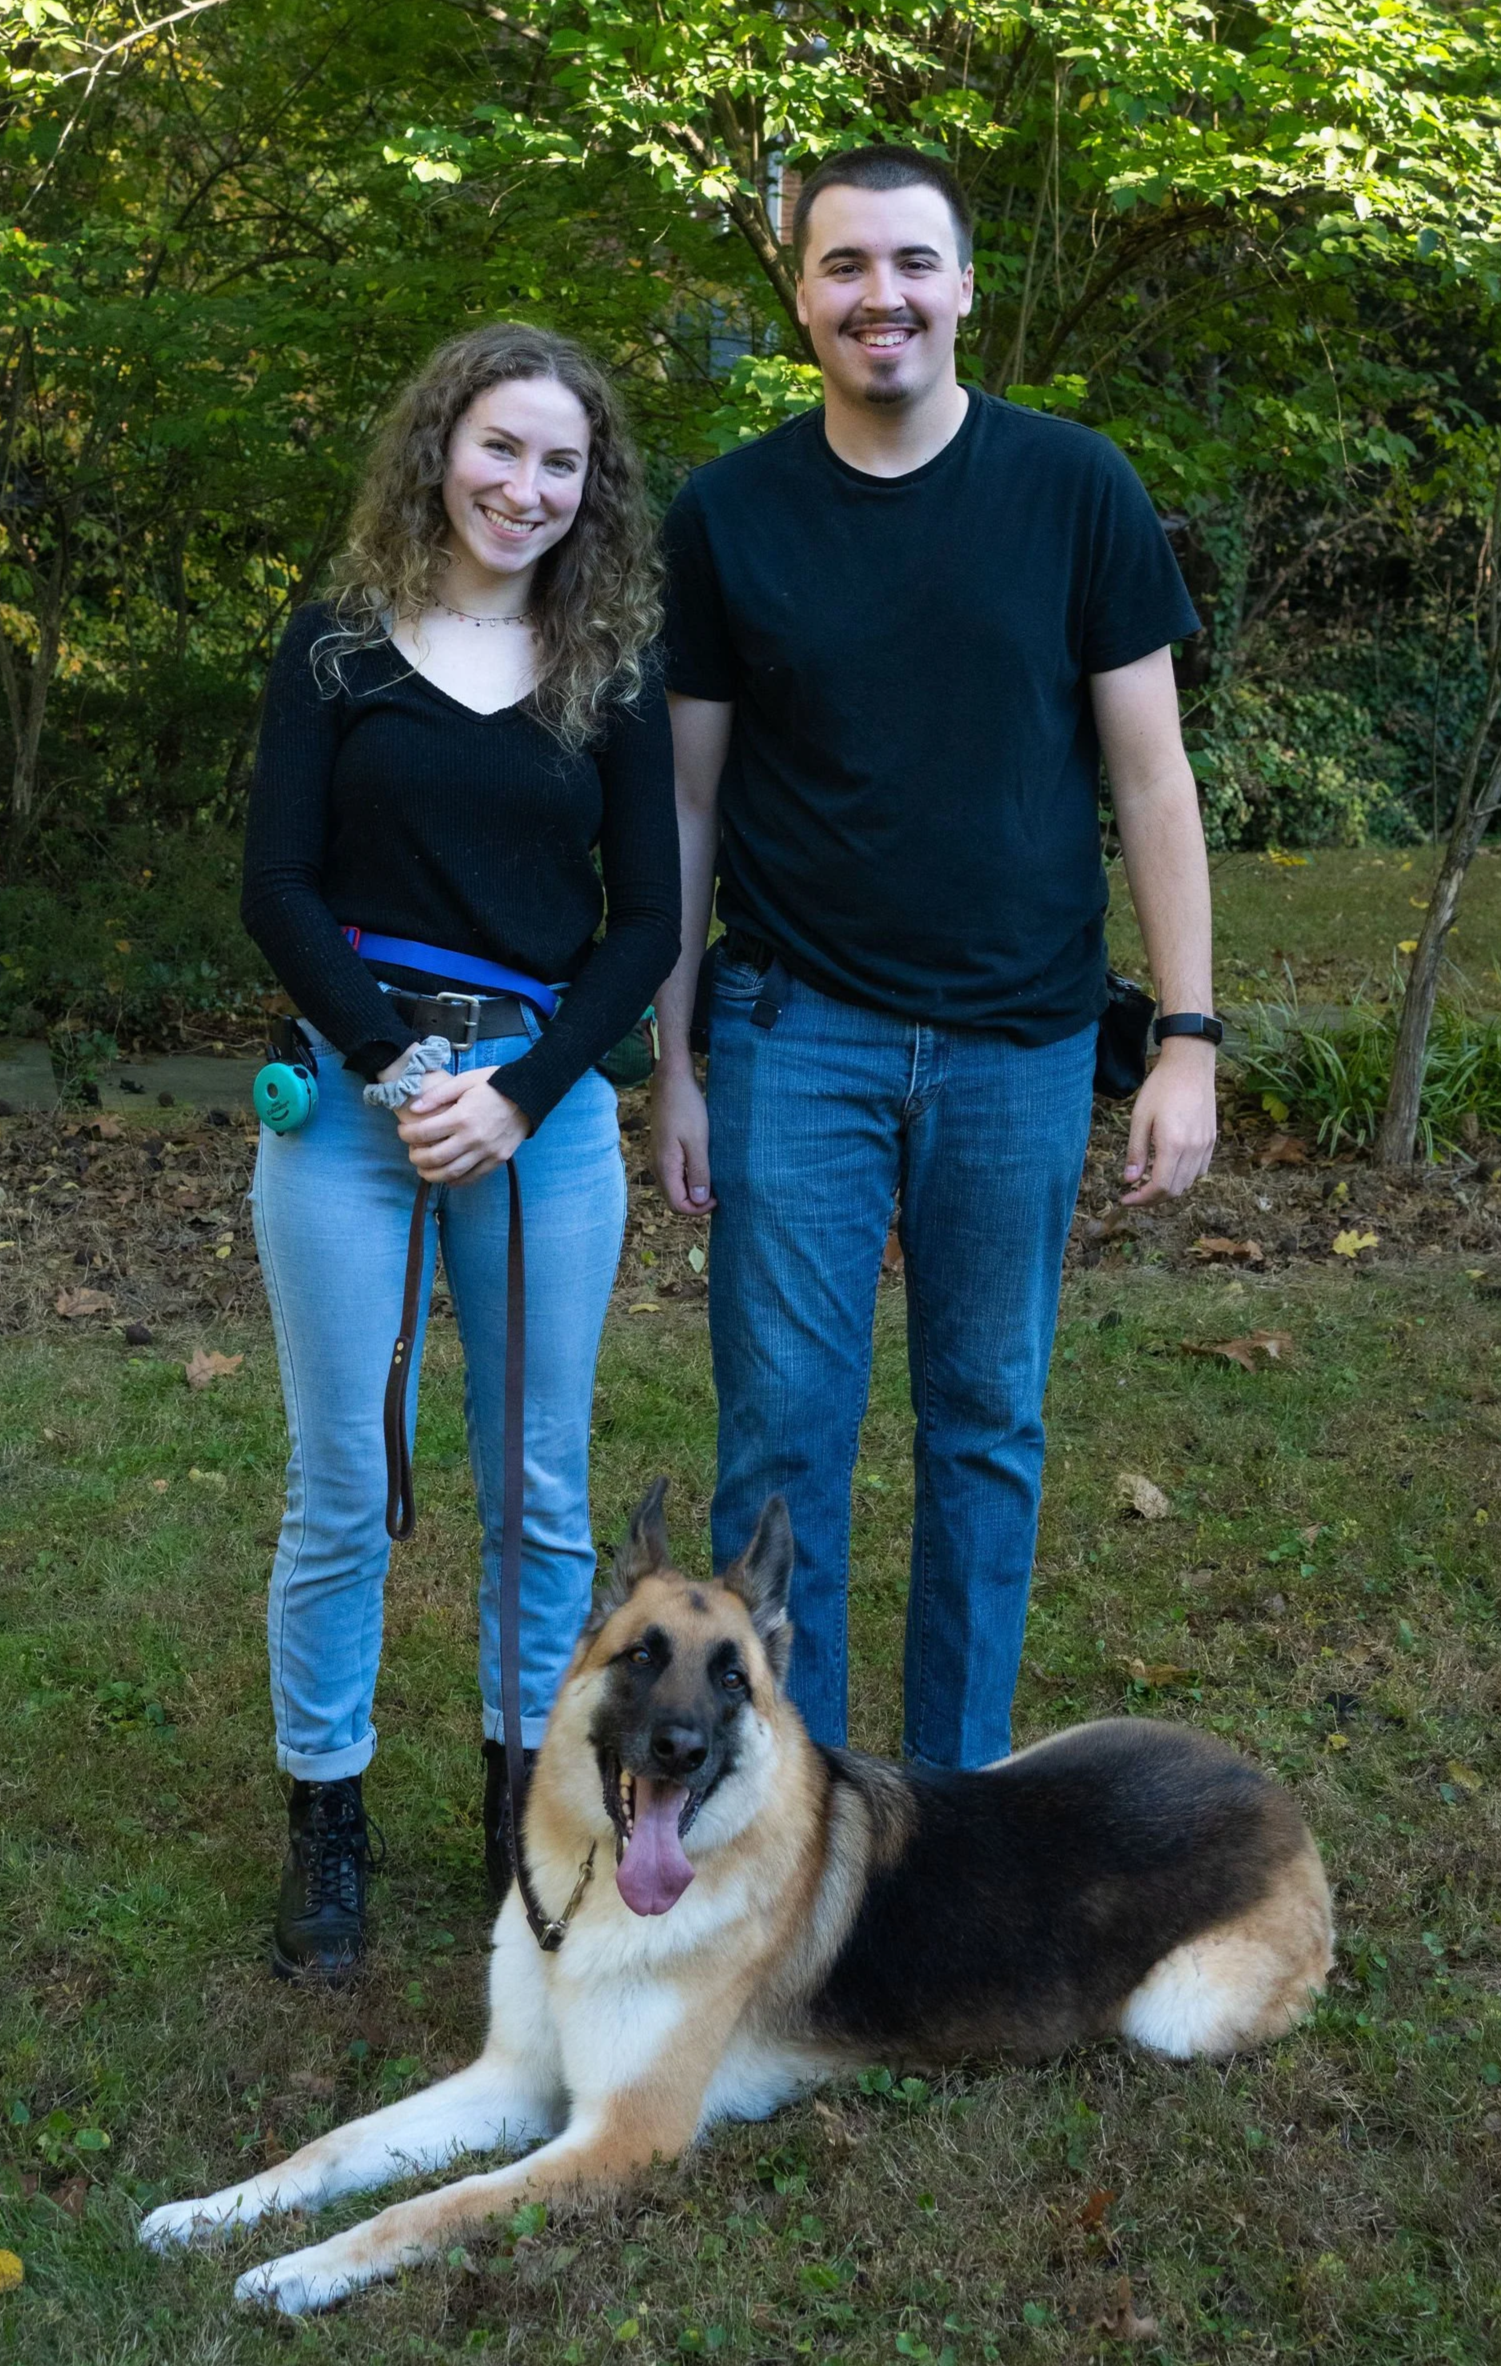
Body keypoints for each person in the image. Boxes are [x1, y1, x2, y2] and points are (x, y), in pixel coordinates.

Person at [651, 147, 1216, 1771]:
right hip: (791, 1034)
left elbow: (1152, 776)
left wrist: (1185, 1036)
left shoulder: (1073, 488)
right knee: (779, 1449)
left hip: (1022, 1046)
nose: (877, 296)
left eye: (911, 263)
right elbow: (688, 801)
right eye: (842, 268)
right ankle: (791, 1816)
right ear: (801, 293)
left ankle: (957, 1811)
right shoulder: (731, 515)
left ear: (964, 286)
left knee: (987, 1435)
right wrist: (674, 1063)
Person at [241, 322, 679, 1983]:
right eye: (500, 447)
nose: (526, 485)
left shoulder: (609, 665)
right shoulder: (339, 644)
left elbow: (647, 921)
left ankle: (524, 1820)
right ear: (440, 447)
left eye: (561, 462)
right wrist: (394, 1058)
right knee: (345, 1486)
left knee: (540, 1493)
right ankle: (328, 1827)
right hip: (352, 1104)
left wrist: (518, 1092)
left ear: (592, 487)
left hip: (544, 1115)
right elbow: (275, 884)